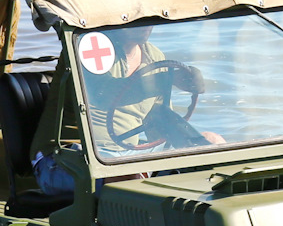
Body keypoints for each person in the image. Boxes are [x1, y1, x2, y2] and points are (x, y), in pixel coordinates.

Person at [86, 25, 225, 157]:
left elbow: (160, 117)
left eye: (148, 19)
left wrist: (191, 142)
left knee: (214, 142)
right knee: (128, 175)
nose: (146, 26)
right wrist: (167, 79)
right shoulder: (92, 46)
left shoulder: (154, 56)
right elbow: (102, 96)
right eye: (138, 19)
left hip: (129, 153)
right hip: (92, 152)